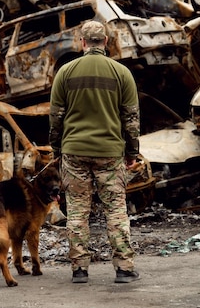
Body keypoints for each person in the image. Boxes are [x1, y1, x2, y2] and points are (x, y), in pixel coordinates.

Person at [49, 20, 141, 284]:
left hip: (74, 151)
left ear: (82, 43)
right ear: (106, 43)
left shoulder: (65, 73)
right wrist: (132, 151)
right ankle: (123, 268)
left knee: (78, 210)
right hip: (110, 153)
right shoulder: (121, 73)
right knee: (115, 210)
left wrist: (57, 148)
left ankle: (79, 270)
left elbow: (55, 117)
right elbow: (131, 118)